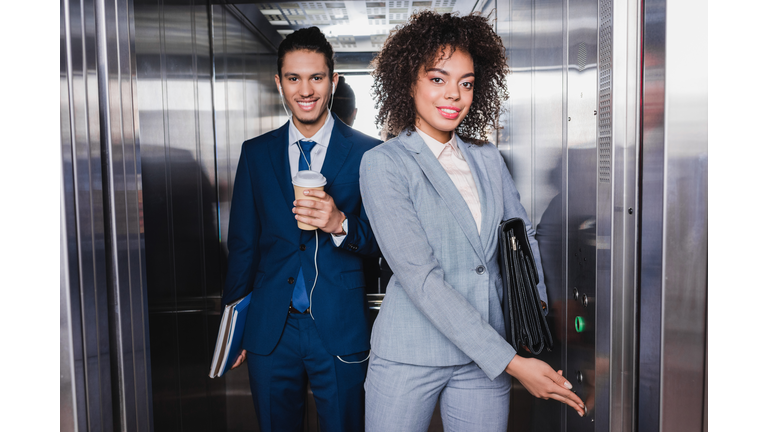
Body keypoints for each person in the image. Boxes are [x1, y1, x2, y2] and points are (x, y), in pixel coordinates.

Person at [360, 11, 586, 431]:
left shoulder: (486, 158)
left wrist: (534, 308)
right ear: (409, 82)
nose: (454, 95)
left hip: (486, 355)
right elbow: (421, 278)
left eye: (466, 82)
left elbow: (522, 236)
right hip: (412, 352)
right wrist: (512, 362)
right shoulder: (383, 164)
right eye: (438, 79)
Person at [222, 26, 381, 432]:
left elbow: (384, 246)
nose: (305, 89)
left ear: (333, 81)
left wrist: (339, 223)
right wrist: (233, 328)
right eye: (294, 78)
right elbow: (243, 244)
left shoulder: (370, 153)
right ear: (279, 82)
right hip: (270, 327)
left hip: (341, 325)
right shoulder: (255, 154)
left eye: (316, 77)